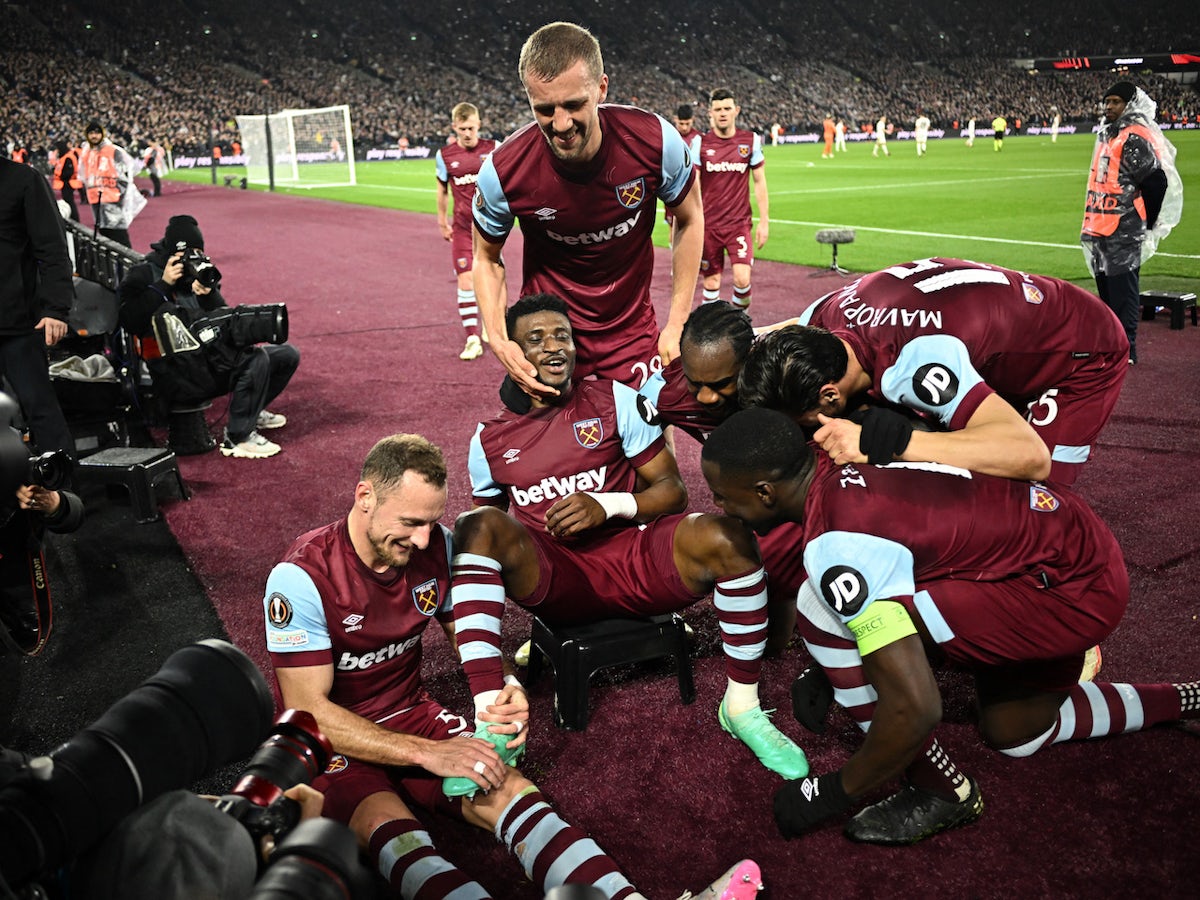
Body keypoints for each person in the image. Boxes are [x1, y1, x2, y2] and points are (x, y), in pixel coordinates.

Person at [263, 431, 756, 898]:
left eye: (431, 522)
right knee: (397, 838)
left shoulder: (438, 547)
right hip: (333, 741)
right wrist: (425, 754)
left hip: (410, 711)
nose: (420, 540)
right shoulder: (301, 577)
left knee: (513, 791)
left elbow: (467, 635)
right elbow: (309, 713)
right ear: (364, 495)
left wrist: (506, 682)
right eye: (409, 523)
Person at [701, 407, 1200, 845]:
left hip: (1067, 590)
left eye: (724, 497)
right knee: (1015, 734)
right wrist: (835, 671)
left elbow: (917, 708)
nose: (722, 509)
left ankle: (941, 791)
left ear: (765, 491)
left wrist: (832, 792)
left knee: (820, 609)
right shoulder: (834, 444)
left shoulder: (835, 543)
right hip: (1058, 542)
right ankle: (1187, 697)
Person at [451, 294, 809, 783]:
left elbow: (673, 492)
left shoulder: (614, 398)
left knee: (727, 536)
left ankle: (742, 706)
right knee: (473, 528)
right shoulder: (487, 440)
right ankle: (491, 717)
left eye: (563, 336)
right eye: (536, 340)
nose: (555, 348)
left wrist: (608, 505)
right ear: (512, 352)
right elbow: (485, 544)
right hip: (560, 583)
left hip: (637, 561)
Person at [736, 257, 1130, 485]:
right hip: (1004, 329)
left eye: (804, 421)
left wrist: (888, 443)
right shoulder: (824, 314)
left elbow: (1029, 455)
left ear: (829, 395)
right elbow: (781, 333)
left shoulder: (913, 364)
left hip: (1081, 349)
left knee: (1035, 496)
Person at [472, 21, 703, 395]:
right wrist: (499, 338)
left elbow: (690, 219)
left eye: (574, 105)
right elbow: (485, 258)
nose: (561, 124)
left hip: (630, 327)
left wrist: (677, 323)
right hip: (548, 331)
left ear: (601, 88)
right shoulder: (503, 172)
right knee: (549, 448)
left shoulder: (655, 142)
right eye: (544, 109)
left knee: (652, 443)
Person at [639, 300, 801, 655]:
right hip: (745, 493)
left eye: (722, 383)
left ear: (748, 362)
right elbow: (630, 448)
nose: (707, 396)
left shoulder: (786, 378)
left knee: (778, 610)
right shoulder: (663, 392)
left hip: (797, 490)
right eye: (696, 384)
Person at [118, 215, 300, 459]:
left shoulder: (201, 274)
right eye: (186, 254)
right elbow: (128, 320)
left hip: (204, 359)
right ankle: (239, 437)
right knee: (254, 358)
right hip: (173, 371)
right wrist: (164, 285)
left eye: (197, 252)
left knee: (286, 355)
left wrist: (208, 294)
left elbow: (224, 320)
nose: (191, 260)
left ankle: (251, 411)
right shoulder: (144, 273)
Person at [1080, 81, 1182, 366]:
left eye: (1115, 102)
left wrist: (1147, 221)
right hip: (1099, 223)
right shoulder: (1108, 135)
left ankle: (1127, 350)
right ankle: (1111, 347)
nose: (1109, 107)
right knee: (1106, 292)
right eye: (1107, 102)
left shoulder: (1133, 137)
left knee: (1122, 292)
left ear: (1130, 104)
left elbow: (1156, 181)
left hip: (1123, 227)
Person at [0, 155, 77, 465]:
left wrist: (56, 309)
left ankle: (66, 498)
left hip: (18, 326)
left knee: (41, 411)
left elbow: (53, 248)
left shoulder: (24, 179)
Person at [434, 102, 499, 362]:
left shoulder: (493, 148)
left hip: (489, 228)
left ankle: (493, 327)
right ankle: (473, 337)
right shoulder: (445, 155)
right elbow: (441, 190)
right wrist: (441, 221)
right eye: (462, 129)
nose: (468, 133)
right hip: (462, 227)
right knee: (465, 278)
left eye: (471, 128)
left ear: (479, 124)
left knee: (493, 277)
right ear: (454, 127)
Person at [693, 89, 768, 311]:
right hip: (709, 225)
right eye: (718, 109)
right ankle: (712, 331)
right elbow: (693, 185)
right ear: (710, 113)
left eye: (727, 108)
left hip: (739, 225)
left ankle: (740, 324)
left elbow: (760, 182)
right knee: (711, 283)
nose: (723, 113)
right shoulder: (701, 143)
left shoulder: (750, 141)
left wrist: (764, 221)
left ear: (736, 111)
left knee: (742, 279)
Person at [77, 120, 142, 247]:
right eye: (91, 133)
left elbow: (125, 175)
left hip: (113, 197)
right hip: (95, 198)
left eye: (97, 133)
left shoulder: (113, 151)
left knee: (118, 232)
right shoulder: (87, 153)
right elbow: (84, 174)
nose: (94, 136)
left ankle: (127, 261)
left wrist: (121, 195)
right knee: (104, 231)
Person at [664, 103, 701, 235]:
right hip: (672, 191)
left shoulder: (699, 139)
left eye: (688, 123)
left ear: (693, 120)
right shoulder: (667, 137)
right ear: (675, 120)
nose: (684, 127)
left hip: (694, 191)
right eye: (681, 123)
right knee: (673, 232)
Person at [50, 140, 85, 221]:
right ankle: (73, 218)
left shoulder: (68, 157)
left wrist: (61, 176)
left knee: (69, 202)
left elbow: (69, 171)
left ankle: (75, 219)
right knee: (68, 201)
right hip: (65, 182)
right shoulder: (64, 157)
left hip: (68, 183)